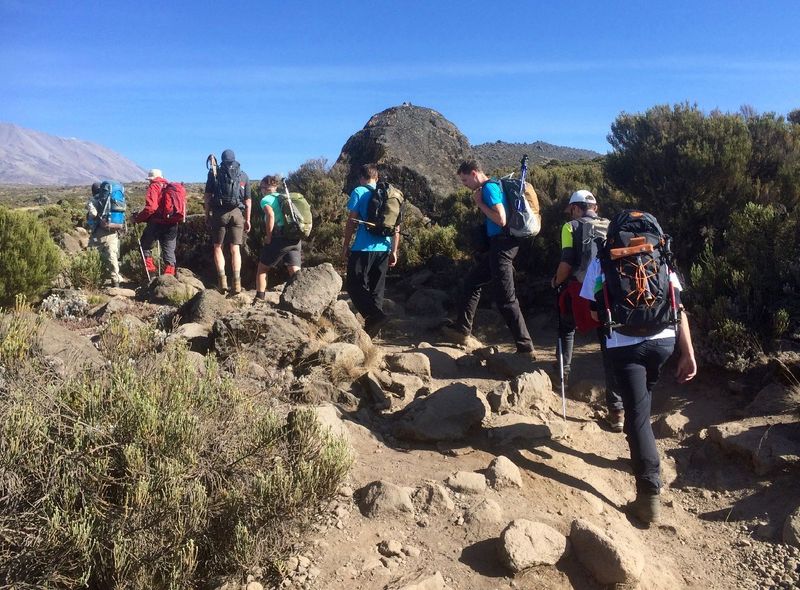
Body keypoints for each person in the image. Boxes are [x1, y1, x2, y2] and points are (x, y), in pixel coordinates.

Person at [579, 230, 697, 525]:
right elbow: (678, 306)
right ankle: (641, 452)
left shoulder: (603, 258)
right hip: (664, 342)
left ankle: (648, 495)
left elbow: (594, 314)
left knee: (637, 414)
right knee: (642, 402)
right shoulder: (659, 254)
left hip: (625, 345)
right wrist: (688, 353)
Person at [442, 160, 535, 355]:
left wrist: (480, 203)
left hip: (503, 246)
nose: (465, 184)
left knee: (506, 299)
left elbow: (501, 219)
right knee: (472, 282)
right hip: (499, 246)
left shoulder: (489, 188)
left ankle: (525, 348)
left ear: (474, 173)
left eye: (465, 180)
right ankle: (461, 330)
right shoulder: (491, 186)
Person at [551, 189, 623, 431]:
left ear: (575, 208)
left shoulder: (570, 227)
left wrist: (555, 281)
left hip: (580, 291)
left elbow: (566, 263)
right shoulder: (611, 225)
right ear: (595, 207)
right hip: (608, 293)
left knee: (566, 328)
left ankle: (562, 376)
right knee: (609, 345)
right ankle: (617, 411)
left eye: (571, 209)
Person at [342, 163, 400, 337]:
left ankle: (375, 316)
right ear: (377, 177)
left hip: (363, 247)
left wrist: (345, 245)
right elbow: (396, 226)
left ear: (361, 178)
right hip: (384, 248)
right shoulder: (391, 194)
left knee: (353, 285)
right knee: (377, 290)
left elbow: (351, 221)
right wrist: (394, 250)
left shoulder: (359, 191)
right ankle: (372, 332)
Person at [204, 149, 251, 294]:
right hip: (237, 213)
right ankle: (236, 283)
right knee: (235, 249)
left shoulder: (214, 173)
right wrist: (248, 219)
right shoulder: (243, 175)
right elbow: (248, 201)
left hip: (219, 214)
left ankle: (222, 282)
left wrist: (207, 215)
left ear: (222, 159)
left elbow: (207, 197)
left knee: (218, 247)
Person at [254, 175, 302, 302]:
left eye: (262, 188)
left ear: (264, 188)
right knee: (294, 270)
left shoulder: (266, 199)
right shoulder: (284, 197)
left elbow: (270, 215)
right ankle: (300, 299)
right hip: (295, 237)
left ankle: (259, 299)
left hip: (279, 237)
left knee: (262, 269)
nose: (261, 190)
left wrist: (269, 237)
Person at [134, 169, 178, 276]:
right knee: (169, 252)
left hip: (157, 223)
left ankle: (151, 275)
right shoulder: (171, 187)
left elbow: (151, 208)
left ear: (151, 179)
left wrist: (137, 219)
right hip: (172, 223)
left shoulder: (154, 186)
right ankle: (169, 278)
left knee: (145, 246)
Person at [86, 181, 124, 287]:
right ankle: (115, 280)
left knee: (93, 254)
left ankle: (94, 279)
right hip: (113, 230)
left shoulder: (93, 200)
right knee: (112, 255)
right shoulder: (112, 198)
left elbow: (93, 214)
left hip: (99, 232)